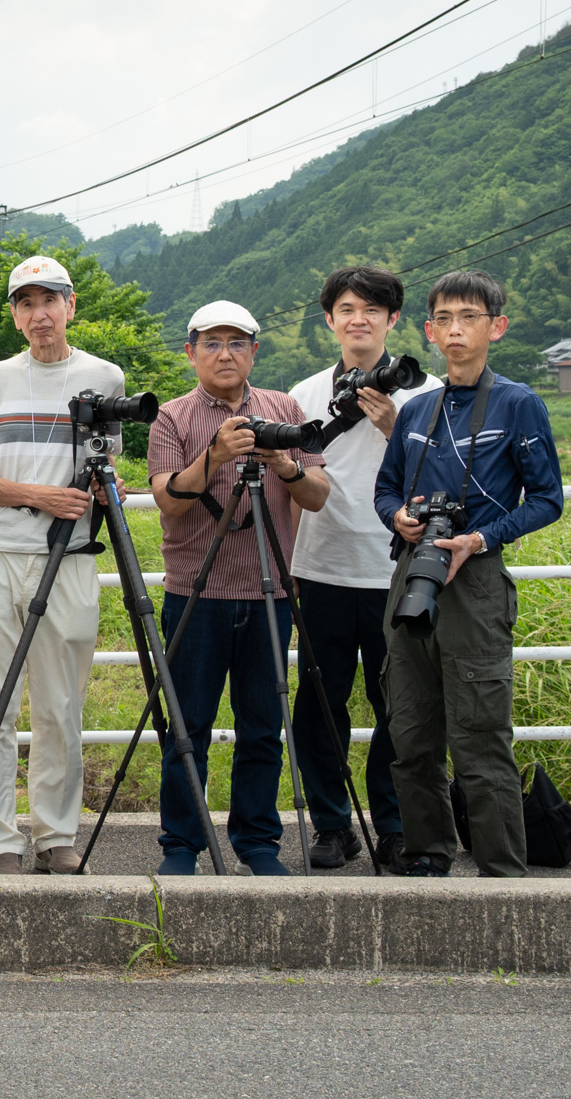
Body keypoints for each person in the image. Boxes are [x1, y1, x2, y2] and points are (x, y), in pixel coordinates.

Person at [375, 270, 562, 879]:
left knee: (481, 738)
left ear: (495, 327)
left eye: (469, 318)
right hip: (412, 571)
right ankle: (428, 854)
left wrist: (482, 536)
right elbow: (384, 491)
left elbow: (547, 499)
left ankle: (502, 872)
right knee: (410, 733)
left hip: (476, 580)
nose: (455, 331)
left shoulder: (518, 402)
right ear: (429, 331)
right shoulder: (416, 410)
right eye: (444, 320)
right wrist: (399, 519)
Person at [0, 257, 129, 874]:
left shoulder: (106, 376)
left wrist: (110, 491)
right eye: (26, 303)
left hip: (73, 556)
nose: (39, 314)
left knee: (61, 705)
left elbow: (106, 466)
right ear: (15, 315)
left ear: (71, 305)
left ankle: (56, 835)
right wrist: (39, 496)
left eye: (49, 300)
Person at [147, 301, 328, 876]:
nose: (225, 354)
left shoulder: (285, 409)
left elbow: (318, 495)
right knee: (187, 727)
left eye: (237, 343)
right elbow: (169, 501)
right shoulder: (171, 418)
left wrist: (283, 462)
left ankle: (258, 843)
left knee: (262, 727)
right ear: (191, 351)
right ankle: (182, 844)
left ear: (255, 349)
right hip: (195, 593)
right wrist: (217, 454)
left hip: (269, 590)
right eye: (211, 343)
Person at [286, 267, 437, 872]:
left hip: (393, 571)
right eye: (346, 308)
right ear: (329, 319)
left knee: (396, 705)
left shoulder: (421, 398)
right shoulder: (302, 391)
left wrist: (394, 426)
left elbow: (445, 476)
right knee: (320, 704)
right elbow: (291, 475)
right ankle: (331, 825)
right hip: (320, 564)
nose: (359, 319)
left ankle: (395, 825)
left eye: (373, 309)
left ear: (392, 320)